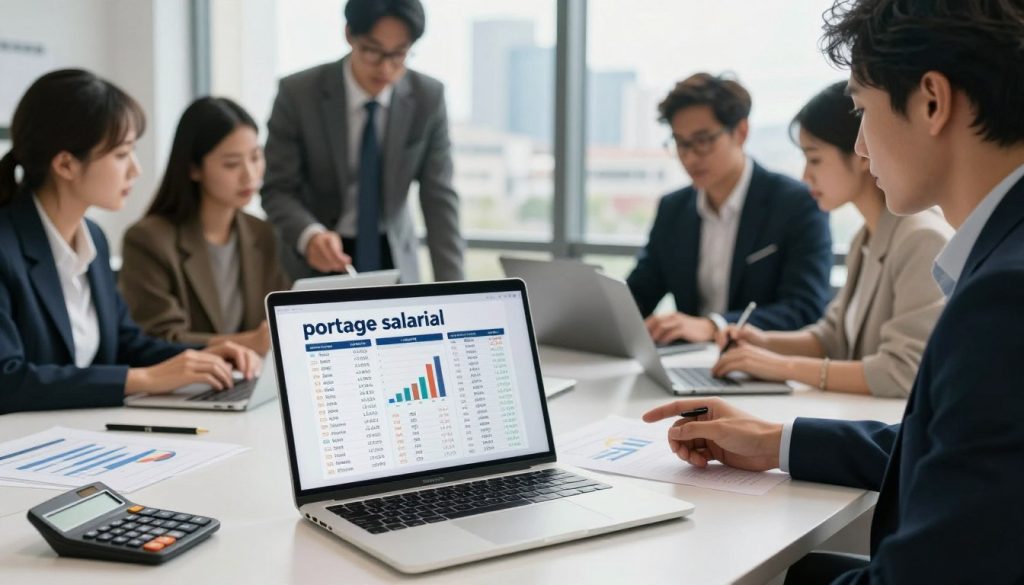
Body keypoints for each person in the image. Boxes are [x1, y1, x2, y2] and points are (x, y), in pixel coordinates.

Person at [644, 1, 1024, 583]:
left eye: (863, 111)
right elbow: (948, 441)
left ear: (931, 101)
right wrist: (776, 440)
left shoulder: (1004, 296)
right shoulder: (1001, 259)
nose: (862, 146)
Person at [0, 70, 259, 415]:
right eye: (122, 154)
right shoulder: (6, 246)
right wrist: (143, 380)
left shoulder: (93, 238)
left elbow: (125, 343)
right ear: (65, 164)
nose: (135, 170)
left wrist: (200, 357)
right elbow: (8, 380)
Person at [710, 82, 953, 397]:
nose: (804, 177)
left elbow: (903, 371)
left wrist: (781, 367)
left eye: (814, 159)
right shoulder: (866, 237)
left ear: (861, 152)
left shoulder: (921, 238)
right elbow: (832, 338)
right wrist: (763, 343)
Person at [262, 0, 464, 283]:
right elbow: (277, 189)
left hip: (392, 253)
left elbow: (439, 200)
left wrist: (458, 291)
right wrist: (309, 235)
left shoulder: (427, 98)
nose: (386, 68)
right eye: (373, 51)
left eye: (399, 54)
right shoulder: (298, 94)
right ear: (349, 35)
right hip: (318, 252)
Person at [627, 73, 832, 344]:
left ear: (741, 132)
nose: (689, 156)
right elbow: (640, 293)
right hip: (685, 363)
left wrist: (715, 326)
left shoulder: (797, 203)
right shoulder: (673, 209)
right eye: (680, 143)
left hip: (762, 364)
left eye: (703, 141)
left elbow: (804, 308)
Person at [120, 97, 290, 355]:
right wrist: (247, 343)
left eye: (256, 157)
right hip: (183, 388)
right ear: (194, 170)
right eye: (232, 164)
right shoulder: (148, 240)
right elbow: (159, 338)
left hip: (250, 381)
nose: (250, 175)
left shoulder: (261, 233)